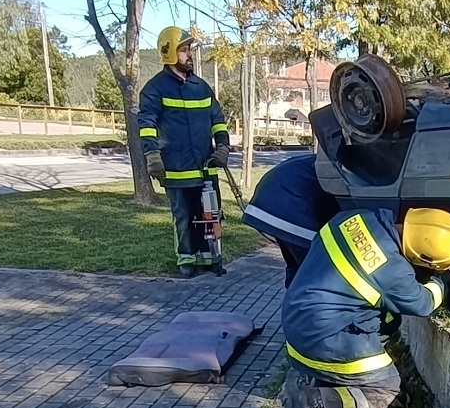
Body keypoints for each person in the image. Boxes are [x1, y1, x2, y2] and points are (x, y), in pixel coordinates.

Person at [280, 204, 450, 408]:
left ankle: (317, 377)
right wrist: (442, 279)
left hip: (296, 325)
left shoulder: (354, 217)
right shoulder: (392, 270)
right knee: (391, 396)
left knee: (387, 319)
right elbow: (424, 303)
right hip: (326, 341)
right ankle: (313, 402)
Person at [138, 26, 231, 276]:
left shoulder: (201, 87)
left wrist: (223, 146)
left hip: (205, 167)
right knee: (184, 216)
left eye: (189, 49)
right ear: (169, 52)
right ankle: (186, 259)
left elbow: (218, 120)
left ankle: (212, 257)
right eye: (184, 50)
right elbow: (146, 125)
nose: (190, 54)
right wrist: (152, 155)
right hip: (176, 168)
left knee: (210, 214)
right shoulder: (155, 89)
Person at [241, 151, 335, 286]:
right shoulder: (348, 172)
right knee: (314, 268)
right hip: (288, 205)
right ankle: (304, 296)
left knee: (299, 266)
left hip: (270, 199)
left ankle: (294, 295)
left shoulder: (330, 163)